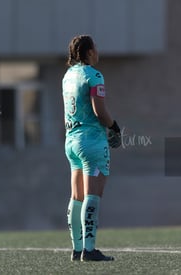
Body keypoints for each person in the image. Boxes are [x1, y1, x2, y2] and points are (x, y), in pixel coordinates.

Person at [62, 35, 121, 262]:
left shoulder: (67, 76)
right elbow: (100, 112)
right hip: (92, 142)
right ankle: (90, 249)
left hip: (71, 141)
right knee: (92, 195)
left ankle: (77, 249)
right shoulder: (94, 76)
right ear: (88, 52)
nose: (98, 51)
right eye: (95, 47)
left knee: (76, 196)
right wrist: (115, 127)